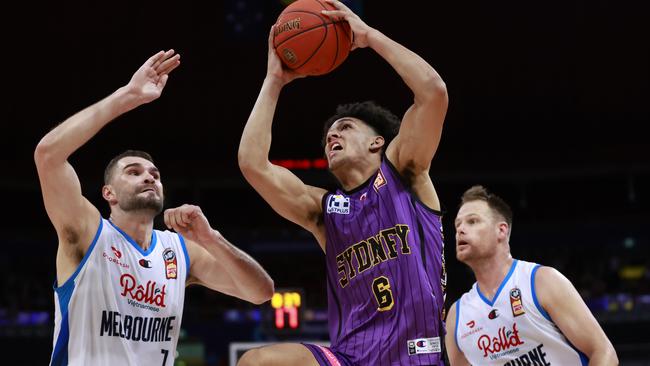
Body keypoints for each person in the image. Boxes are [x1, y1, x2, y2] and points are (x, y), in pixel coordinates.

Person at [237, 0, 449, 364]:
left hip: (418, 356)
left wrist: (370, 37)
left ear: (377, 141)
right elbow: (253, 164)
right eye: (328, 136)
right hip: (351, 358)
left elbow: (433, 92)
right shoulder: (325, 211)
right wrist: (274, 82)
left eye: (345, 128)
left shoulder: (405, 174)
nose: (332, 137)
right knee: (256, 361)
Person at [34, 49, 275, 366]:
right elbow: (48, 155)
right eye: (133, 172)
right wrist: (127, 96)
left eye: (154, 174)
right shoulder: (87, 231)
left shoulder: (179, 251)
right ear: (109, 193)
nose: (148, 176)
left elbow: (261, 292)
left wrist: (210, 238)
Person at [445, 185, 619, 365]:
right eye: (457, 224)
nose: (460, 229)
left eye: (472, 221)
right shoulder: (457, 317)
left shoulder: (542, 281)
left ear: (501, 231)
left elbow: (604, 352)